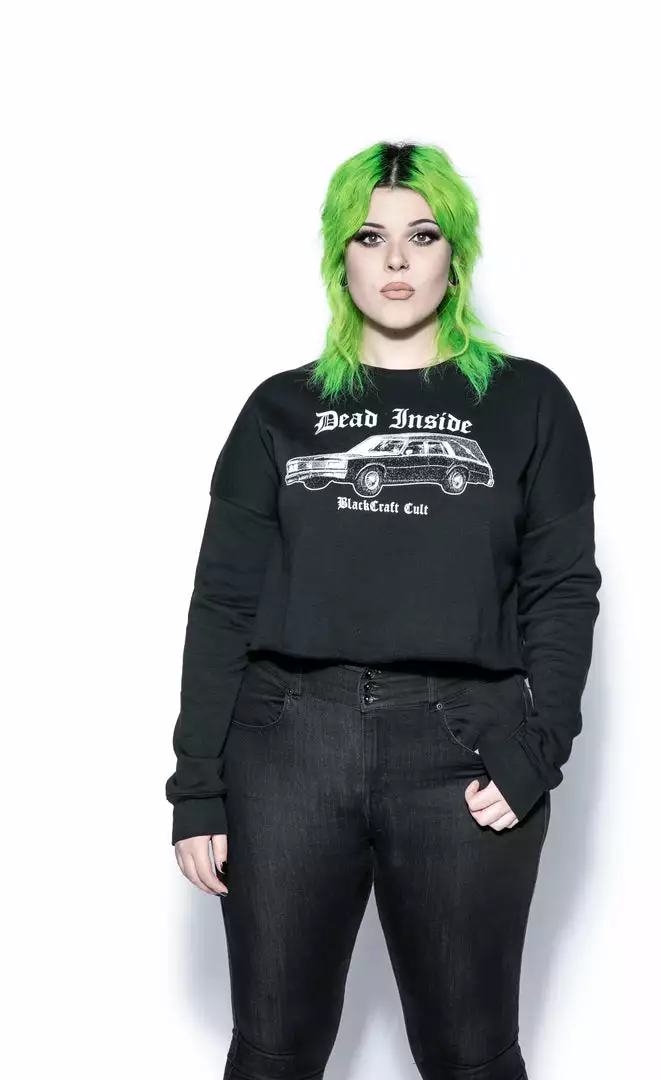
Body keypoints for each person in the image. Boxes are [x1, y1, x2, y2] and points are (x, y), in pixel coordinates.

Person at [165, 140, 602, 1080]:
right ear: (341, 255)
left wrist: (539, 748)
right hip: (285, 745)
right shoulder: (281, 411)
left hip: (463, 747)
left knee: (471, 1055)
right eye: (370, 237)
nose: (396, 260)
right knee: (273, 1052)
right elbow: (223, 601)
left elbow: (563, 589)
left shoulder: (528, 403)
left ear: (456, 254)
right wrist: (196, 783)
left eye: (422, 235)